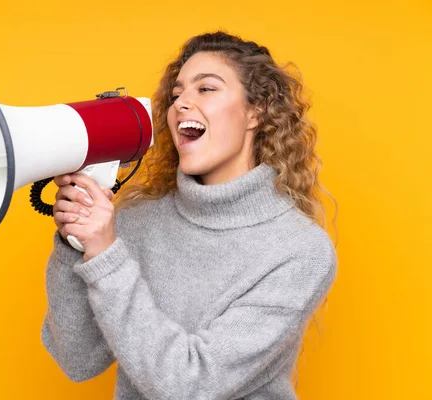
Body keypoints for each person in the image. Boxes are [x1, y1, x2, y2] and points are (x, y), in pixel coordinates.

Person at [40, 30, 338, 400]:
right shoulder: (134, 221)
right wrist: (76, 241)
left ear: (255, 112)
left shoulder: (299, 251)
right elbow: (78, 360)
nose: (182, 103)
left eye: (206, 89)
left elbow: (191, 386)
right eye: (177, 93)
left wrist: (105, 256)